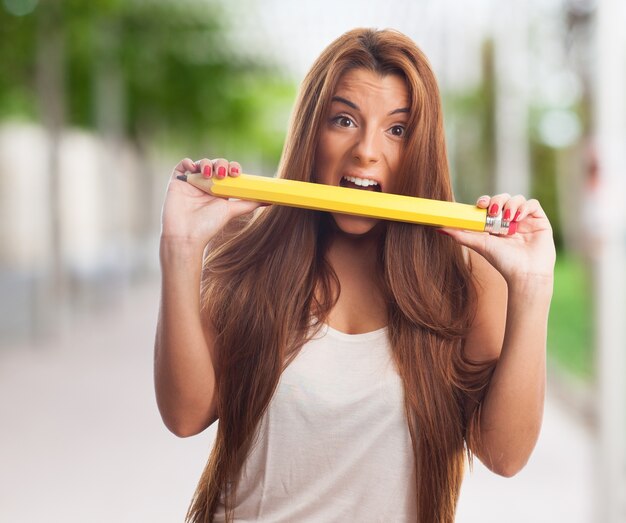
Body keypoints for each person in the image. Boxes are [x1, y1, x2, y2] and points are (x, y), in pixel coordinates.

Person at [154, 28, 555, 523]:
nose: (366, 151)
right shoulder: (253, 260)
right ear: (310, 134)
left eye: (397, 129)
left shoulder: (468, 277)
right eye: (344, 120)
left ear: (421, 148)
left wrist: (533, 288)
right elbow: (185, 415)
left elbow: (505, 456)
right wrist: (180, 249)